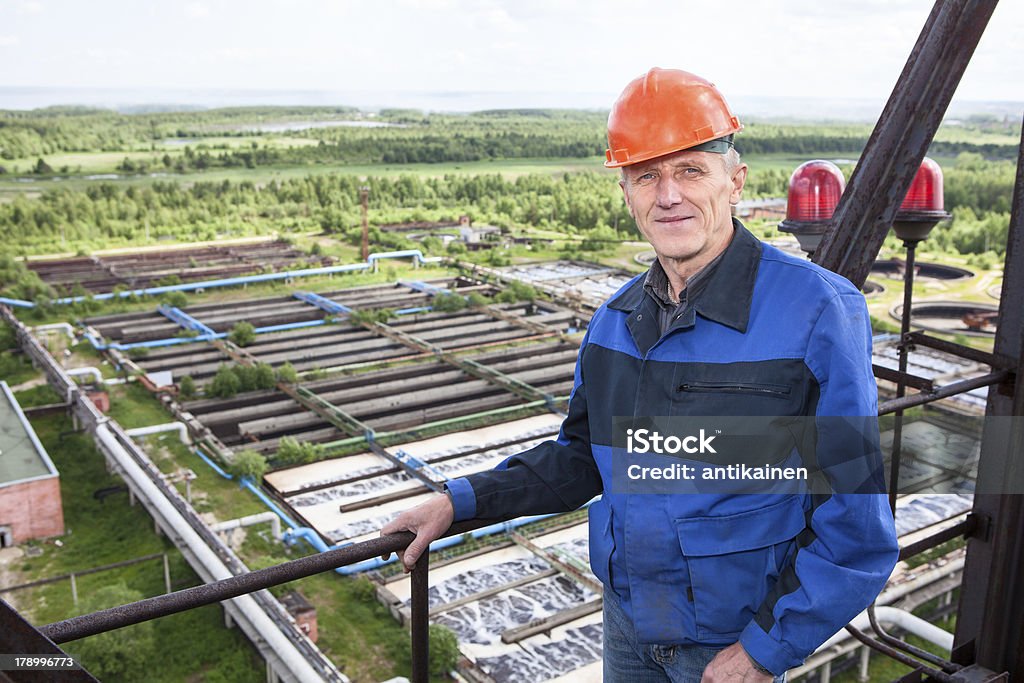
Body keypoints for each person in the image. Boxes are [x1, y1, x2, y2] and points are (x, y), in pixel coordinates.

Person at [382, 67, 899, 682]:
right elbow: (579, 461)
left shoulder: (817, 311)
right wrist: (456, 502)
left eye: (690, 170)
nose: (668, 195)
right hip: (628, 627)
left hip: (730, 643)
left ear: (734, 182)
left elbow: (856, 520)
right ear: (625, 192)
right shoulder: (614, 321)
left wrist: (766, 650)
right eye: (646, 175)